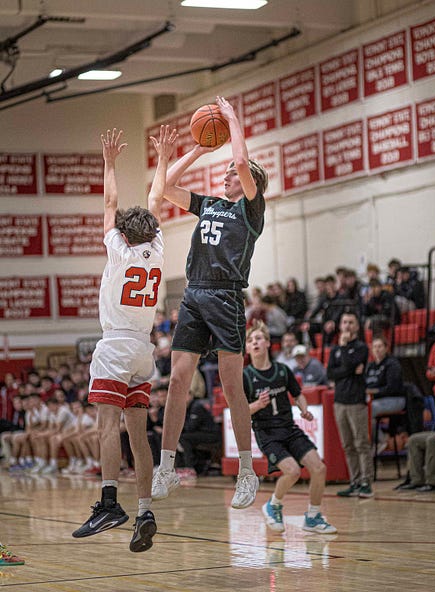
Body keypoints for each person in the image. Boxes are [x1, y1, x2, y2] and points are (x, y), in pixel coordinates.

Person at [152, 96, 267, 510]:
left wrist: (233, 118)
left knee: (232, 386)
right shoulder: (210, 206)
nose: (226, 177)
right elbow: (164, 187)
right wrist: (198, 148)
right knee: (178, 381)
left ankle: (247, 473)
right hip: (195, 294)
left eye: (234, 176)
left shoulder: (252, 210)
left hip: (226, 298)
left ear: (250, 182)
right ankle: (165, 467)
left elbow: (240, 162)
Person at [72, 125, 177, 553]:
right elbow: (155, 201)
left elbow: (111, 203)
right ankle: (146, 509)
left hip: (115, 345)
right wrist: (164, 158)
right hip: (144, 350)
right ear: (149, 233)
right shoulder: (159, 248)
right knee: (139, 432)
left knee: (106, 428)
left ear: (123, 233)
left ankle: (109, 502)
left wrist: (109, 161)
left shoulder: (119, 248)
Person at [244, 321, 336, 534]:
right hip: (267, 434)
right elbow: (240, 411)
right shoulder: (245, 376)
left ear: (267, 343)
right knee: (293, 471)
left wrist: (304, 409)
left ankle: (313, 517)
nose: (254, 342)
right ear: (247, 348)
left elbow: (298, 394)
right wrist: (257, 405)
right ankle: (273, 505)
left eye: (258, 338)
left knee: (319, 468)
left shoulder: (282, 371)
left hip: (289, 428)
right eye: (250, 340)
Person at [327, 312, 373, 497]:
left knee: (361, 443)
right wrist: (349, 369)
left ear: (356, 326)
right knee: (347, 445)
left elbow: (347, 364)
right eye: (344, 322)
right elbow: (331, 373)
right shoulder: (334, 349)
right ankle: (354, 482)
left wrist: (345, 348)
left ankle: (366, 483)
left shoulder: (361, 347)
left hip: (356, 401)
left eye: (351, 322)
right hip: (339, 401)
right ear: (340, 325)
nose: (347, 325)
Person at [365, 337, 405, 447]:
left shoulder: (392, 364)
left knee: (369, 409)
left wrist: (373, 392)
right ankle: (368, 443)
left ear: (386, 348)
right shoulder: (369, 366)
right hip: (374, 399)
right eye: (374, 347)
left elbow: (393, 388)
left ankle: (381, 441)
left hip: (395, 399)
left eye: (380, 346)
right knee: (359, 408)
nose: (377, 349)